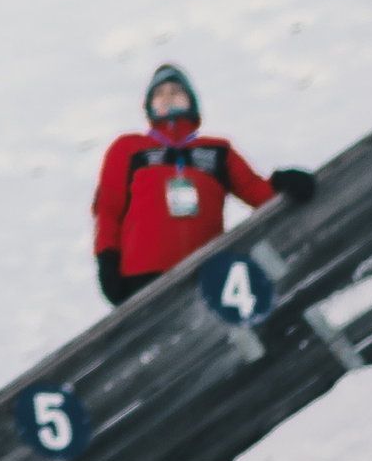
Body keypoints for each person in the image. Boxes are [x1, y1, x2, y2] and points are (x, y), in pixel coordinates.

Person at [91, 63, 315, 305]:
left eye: (176, 91)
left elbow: (255, 191)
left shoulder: (218, 150)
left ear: (191, 101)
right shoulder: (127, 148)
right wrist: (108, 262)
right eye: (159, 94)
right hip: (142, 280)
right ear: (148, 107)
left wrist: (284, 182)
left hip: (209, 274)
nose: (168, 98)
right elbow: (108, 209)